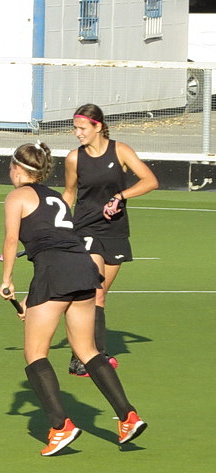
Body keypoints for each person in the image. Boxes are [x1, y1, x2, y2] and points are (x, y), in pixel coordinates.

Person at [0, 142, 147, 456]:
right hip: (83, 269)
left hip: (55, 272)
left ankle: (60, 427)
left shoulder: (17, 196)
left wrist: (7, 279)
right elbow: (57, 242)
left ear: (18, 169)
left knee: (35, 353)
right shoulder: (55, 197)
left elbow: (12, 239)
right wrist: (32, 298)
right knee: (87, 350)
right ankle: (128, 417)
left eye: (10, 168)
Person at [61, 103, 158, 376]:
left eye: (82, 128)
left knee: (100, 296)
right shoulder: (74, 158)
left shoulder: (121, 151)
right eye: (75, 128)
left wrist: (120, 196)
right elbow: (69, 194)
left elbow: (150, 181)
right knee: (92, 290)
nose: (77, 133)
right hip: (85, 230)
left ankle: (87, 355)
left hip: (115, 231)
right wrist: (52, 223)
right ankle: (90, 358)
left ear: (98, 126)